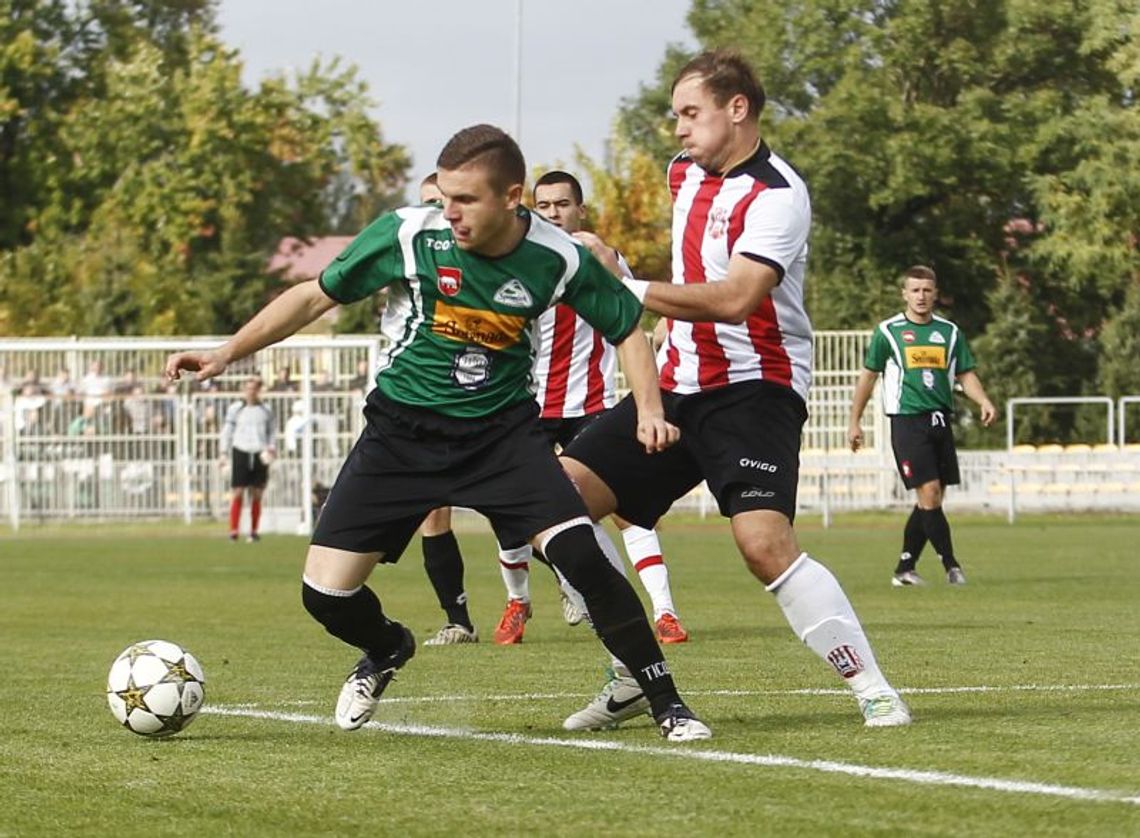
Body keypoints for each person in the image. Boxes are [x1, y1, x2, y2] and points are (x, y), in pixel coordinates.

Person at [164, 124, 711, 741]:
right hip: (401, 435)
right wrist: (225, 352)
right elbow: (315, 297)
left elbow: (626, 328)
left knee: (582, 554)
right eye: (444, 196)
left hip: (501, 438)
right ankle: (388, 647)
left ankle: (667, 701)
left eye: (466, 200)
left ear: (511, 196)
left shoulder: (557, 256)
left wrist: (647, 407)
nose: (448, 212)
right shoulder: (408, 232)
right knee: (324, 595)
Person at [562, 49, 911, 731]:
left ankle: (872, 685)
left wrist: (621, 286)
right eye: (676, 116)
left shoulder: (779, 195)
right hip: (678, 379)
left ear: (738, 108)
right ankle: (633, 668)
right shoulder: (681, 175)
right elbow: (690, 273)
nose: (679, 129)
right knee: (554, 499)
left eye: (691, 114)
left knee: (762, 545)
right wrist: (615, 264)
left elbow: (735, 297)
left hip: (755, 388)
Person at [486, 170, 689, 646]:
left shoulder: (604, 259)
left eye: (562, 204)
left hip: (591, 404)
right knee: (510, 507)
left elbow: (634, 318)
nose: (553, 212)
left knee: (629, 513)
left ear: (581, 209)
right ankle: (519, 601)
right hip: (528, 405)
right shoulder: (518, 261)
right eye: (544, 205)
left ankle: (664, 612)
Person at [847, 265, 997, 586]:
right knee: (928, 492)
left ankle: (905, 568)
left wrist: (983, 400)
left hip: (941, 420)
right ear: (904, 294)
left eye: (927, 290)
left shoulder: (949, 332)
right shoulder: (888, 332)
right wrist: (854, 422)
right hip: (907, 421)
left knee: (932, 499)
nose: (921, 296)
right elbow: (868, 378)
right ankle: (952, 566)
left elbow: (965, 374)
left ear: (936, 294)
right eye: (915, 290)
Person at [219, 376, 276, 543]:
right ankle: (234, 530)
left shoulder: (266, 410)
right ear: (244, 390)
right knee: (237, 491)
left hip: (260, 451)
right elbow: (227, 432)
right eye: (248, 388)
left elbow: (272, 432)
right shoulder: (236, 409)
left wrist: (271, 448)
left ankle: (253, 531)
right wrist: (223, 452)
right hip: (240, 450)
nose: (251, 392)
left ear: (258, 390)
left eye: (254, 388)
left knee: (257, 492)